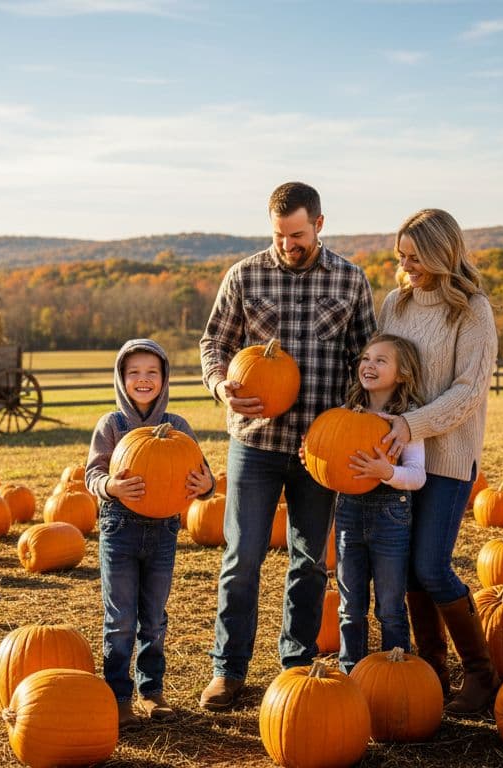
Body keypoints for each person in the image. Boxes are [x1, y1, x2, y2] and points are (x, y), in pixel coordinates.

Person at [197, 181, 377, 710]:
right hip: (254, 442)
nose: (287, 244)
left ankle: (294, 667)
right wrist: (220, 385)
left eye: (296, 234)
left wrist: (352, 420)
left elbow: (364, 359)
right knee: (241, 556)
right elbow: (215, 343)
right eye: (278, 234)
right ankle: (227, 670)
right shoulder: (244, 275)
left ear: (319, 224)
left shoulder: (350, 280)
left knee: (308, 561)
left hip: (321, 450)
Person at [374, 208, 498, 714]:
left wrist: (411, 424)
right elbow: (381, 367)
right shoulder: (393, 304)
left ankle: (481, 671)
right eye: (401, 256)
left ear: (444, 254)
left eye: (416, 257)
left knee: (430, 564)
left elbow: (469, 391)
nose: (407, 266)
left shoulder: (472, 310)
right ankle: (431, 671)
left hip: (448, 457)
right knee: (405, 570)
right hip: (399, 457)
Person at [85, 338, 215, 727]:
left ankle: (151, 691)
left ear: (164, 379)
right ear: (121, 378)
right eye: (134, 372)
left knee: (154, 617)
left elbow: (203, 477)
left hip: (163, 533)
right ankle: (118, 695)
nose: (143, 380)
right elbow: (92, 474)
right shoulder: (112, 425)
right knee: (120, 618)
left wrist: (204, 486)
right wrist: (112, 486)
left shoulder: (177, 427)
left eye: (151, 373)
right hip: (119, 530)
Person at [330, 333, 427, 673]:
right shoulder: (346, 412)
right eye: (366, 358)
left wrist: (387, 471)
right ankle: (351, 672)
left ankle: (395, 674)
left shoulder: (406, 420)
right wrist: (313, 455)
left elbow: (417, 476)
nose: (369, 365)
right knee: (350, 604)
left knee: (389, 606)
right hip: (349, 512)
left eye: (380, 360)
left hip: (391, 514)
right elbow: (331, 460)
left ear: (402, 374)